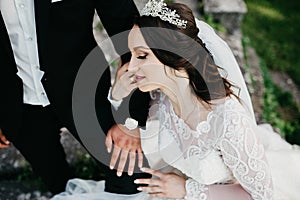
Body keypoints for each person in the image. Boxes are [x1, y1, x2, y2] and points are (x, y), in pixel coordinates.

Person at [52, 1, 300, 200]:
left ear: (172, 56)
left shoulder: (228, 121)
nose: (131, 66)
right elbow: (143, 130)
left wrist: (188, 191)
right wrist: (117, 95)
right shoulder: (160, 98)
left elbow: (261, 195)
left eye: (141, 56)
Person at [0, 0, 151, 196]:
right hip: (18, 105)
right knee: (56, 182)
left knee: (132, 179)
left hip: (84, 92)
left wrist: (134, 121)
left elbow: (129, 34)